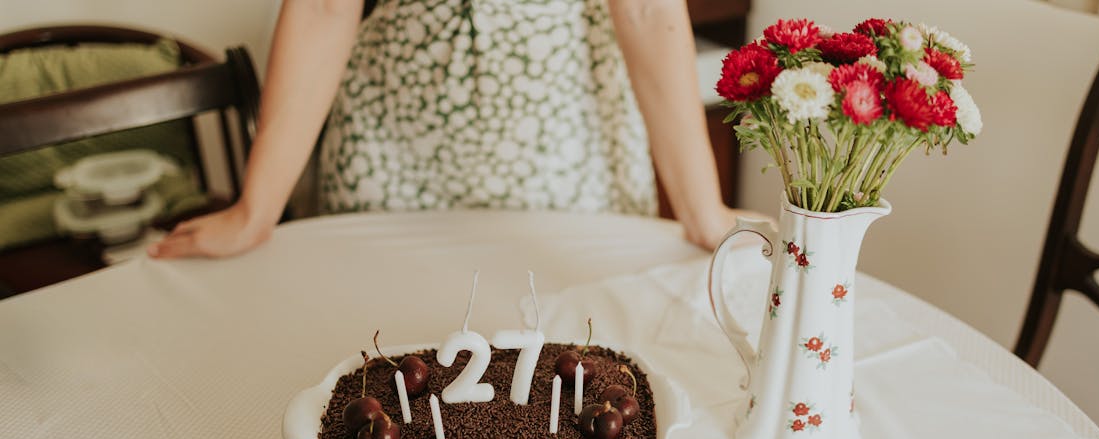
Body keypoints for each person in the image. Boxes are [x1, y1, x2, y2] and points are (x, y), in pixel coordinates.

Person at [148, 0, 737, 259]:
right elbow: (325, 7)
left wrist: (703, 211)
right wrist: (256, 211)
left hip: (569, 151)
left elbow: (646, 10)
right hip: (391, 151)